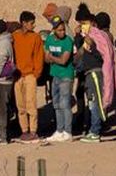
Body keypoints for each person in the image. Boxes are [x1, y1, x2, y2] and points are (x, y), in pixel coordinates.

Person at [41, 16, 77, 141]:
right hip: (54, 75)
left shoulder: (68, 41)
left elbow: (63, 61)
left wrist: (52, 57)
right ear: (54, 30)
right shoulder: (50, 39)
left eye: (63, 30)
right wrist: (50, 57)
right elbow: (45, 59)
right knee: (56, 104)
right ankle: (59, 130)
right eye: (59, 30)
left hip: (66, 75)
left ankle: (68, 131)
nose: (62, 32)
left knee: (65, 104)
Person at [12, 12, 44, 143]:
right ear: (24, 23)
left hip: (30, 75)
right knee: (20, 105)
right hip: (17, 76)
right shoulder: (14, 37)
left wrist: (36, 74)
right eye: (31, 22)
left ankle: (33, 131)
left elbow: (39, 57)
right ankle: (24, 131)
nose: (33, 25)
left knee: (31, 104)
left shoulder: (36, 37)